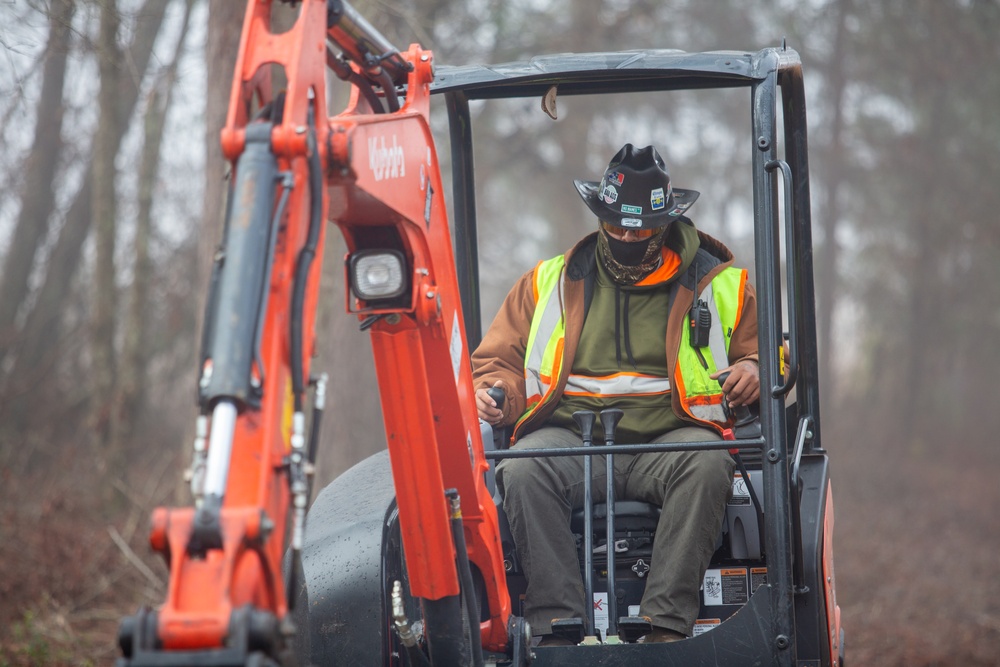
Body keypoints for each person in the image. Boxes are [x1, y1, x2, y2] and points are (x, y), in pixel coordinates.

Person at [471, 143, 760, 645]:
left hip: (670, 442)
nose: (627, 237)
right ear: (601, 218)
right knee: (519, 467)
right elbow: (496, 361)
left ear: (666, 223)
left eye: (642, 230)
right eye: (617, 227)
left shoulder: (721, 284)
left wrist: (753, 369)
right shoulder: (548, 283)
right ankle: (556, 627)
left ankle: (664, 628)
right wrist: (495, 392)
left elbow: (766, 356)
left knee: (710, 462)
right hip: (571, 443)